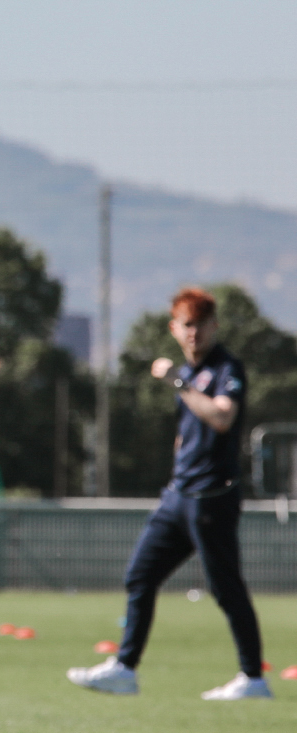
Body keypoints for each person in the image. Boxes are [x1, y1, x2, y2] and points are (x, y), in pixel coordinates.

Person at [67, 286, 269, 701]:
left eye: (202, 325)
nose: (194, 333)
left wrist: (179, 381)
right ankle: (125, 668)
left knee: (225, 587)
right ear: (174, 328)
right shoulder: (187, 373)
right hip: (178, 496)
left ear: (215, 326)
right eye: (187, 325)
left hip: (212, 497)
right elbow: (186, 433)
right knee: (140, 575)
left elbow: (221, 417)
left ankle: (253, 677)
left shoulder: (226, 368)